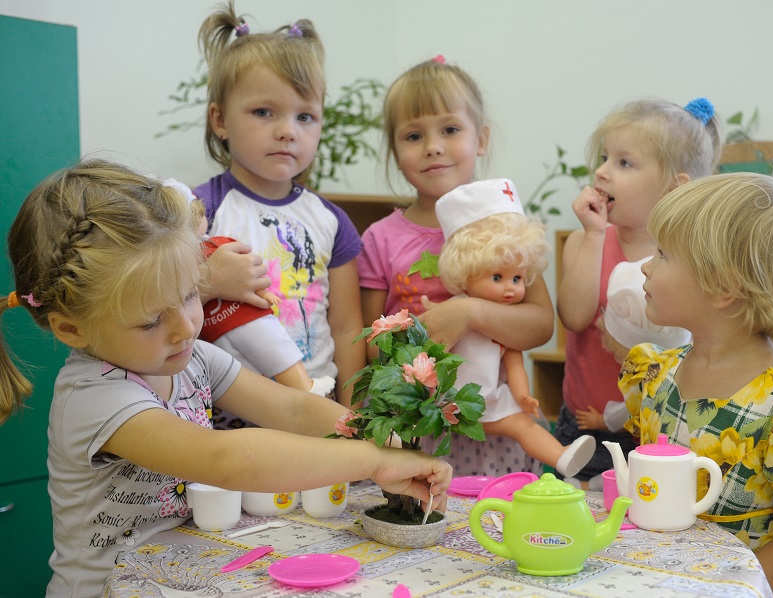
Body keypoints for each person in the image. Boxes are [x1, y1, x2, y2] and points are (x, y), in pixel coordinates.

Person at [0, 160, 452, 597]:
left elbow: (292, 407)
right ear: (70, 328)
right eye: (150, 320)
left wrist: (379, 440)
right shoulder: (94, 397)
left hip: (178, 577)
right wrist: (371, 464)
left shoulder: (190, 357)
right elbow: (227, 459)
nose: (186, 327)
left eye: (189, 295)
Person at [619, 172, 773, 598]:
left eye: (662, 254)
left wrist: (724, 592)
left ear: (723, 286)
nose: (645, 265)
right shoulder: (657, 375)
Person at [358, 56, 553, 476]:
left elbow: (541, 325)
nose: (433, 146)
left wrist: (468, 312)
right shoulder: (380, 238)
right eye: (413, 135)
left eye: (450, 129)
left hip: (497, 424)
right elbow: (369, 346)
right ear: (395, 150)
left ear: (480, 138)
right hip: (415, 428)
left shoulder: (507, 227)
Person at [193, 1, 364, 409]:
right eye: (264, 112)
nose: (287, 131)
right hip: (222, 415)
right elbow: (162, 302)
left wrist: (354, 409)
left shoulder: (331, 221)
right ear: (220, 121)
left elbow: (345, 326)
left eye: (305, 117)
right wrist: (209, 281)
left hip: (315, 408)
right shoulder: (199, 210)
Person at [555, 97, 722, 490]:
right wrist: (595, 235)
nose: (601, 171)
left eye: (624, 163)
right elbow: (574, 318)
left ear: (673, 186)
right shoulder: (583, 241)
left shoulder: (691, 261)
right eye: (604, 157)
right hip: (584, 424)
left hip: (662, 430)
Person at [436, 178, 595, 477]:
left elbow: (515, 363)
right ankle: (560, 455)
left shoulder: (503, 323)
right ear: (465, 273)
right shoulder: (451, 313)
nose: (510, 289)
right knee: (520, 425)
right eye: (497, 277)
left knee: (522, 422)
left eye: (518, 278)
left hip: (483, 403)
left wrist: (523, 396)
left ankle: (562, 456)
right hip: (455, 405)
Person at [180, 187, 335, 397]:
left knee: (275, 348)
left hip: (243, 316)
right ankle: (298, 390)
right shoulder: (179, 256)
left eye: (198, 213)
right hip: (218, 329)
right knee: (250, 363)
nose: (198, 219)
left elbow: (249, 269)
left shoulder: (217, 243)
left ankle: (305, 388)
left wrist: (263, 292)